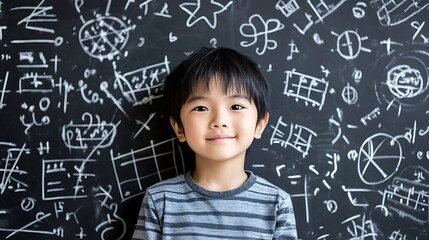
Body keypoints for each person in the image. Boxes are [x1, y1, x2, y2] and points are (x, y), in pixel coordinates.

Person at [132, 47, 297, 240]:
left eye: (236, 106)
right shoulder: (160, 201)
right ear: (179, 128)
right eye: (201, 108)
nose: (220, 120)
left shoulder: (276, 203)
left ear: (259, 124)